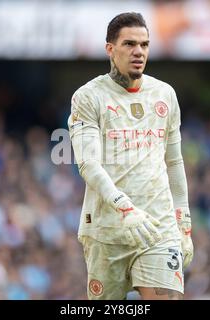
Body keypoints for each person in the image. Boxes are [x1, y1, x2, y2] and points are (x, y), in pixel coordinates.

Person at [68, 12, 193, 300]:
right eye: (129, 44)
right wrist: (125, 208)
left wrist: (183, 223)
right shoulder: (89, 97)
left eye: (144, 45)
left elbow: (174, 162)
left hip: (158, 227)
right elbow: (88, 163)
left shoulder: (165, 95)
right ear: (110, 49)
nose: (138, 51)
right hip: (107, 230)